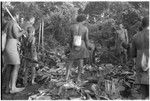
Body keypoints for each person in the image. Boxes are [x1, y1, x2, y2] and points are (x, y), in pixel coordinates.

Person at [3, 10, 26, 93]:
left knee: (9, 67)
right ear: (16, 15)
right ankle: (13, 88)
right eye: (18, 15)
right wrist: (23, 31)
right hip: (12, 46)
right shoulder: (14, 23)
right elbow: (16, 35)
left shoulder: (7, 23)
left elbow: (10, 34)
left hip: (7, 45)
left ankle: (6, 88)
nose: (18, 17)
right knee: (16, 65)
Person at [66, 14, 91, 83]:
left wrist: (70, 47)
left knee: (70, 61)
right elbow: (86, 39)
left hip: (74, 44)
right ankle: (78, 78)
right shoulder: (85, 28)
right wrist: (88, 47)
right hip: (82, 44)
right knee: (80, 62)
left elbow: (69, 39)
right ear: (83, 20)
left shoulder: (72, 27)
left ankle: (66, 77)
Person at [130, 16, 149, 99]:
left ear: (142, 24)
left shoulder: (135, 36)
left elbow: (132, 54)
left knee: (144, 93)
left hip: (140, 65)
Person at [22, 16, 38, 85]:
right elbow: (32, 47)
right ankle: (32, 81)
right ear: (32, 32)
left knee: (27, 68)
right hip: (32, 54)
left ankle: (24, 82)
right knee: (33, 68)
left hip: (26, 54)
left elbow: (24, 46)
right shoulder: (33, 38)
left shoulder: (25, 38)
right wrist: (32, 57)